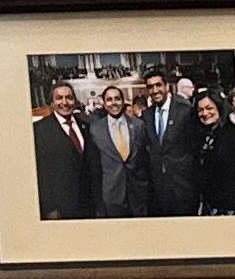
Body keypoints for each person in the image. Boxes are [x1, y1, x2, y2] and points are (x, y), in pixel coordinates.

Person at [33, 82, 97, 222]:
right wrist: (49, 208)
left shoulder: (85, 125)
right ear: (52, 102)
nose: (65, 102)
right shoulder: (40, 130)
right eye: (59, 98)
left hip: (87, 207)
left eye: (69, 97)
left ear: (74, 101)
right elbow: (40, 172)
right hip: (60, 209)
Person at [145, 72, 205, 217]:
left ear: (167, 86)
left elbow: (196, 149)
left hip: (183, 187)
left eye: (158, 85)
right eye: (150, 87)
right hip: (158, 190)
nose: (155, 90)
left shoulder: (185, 110)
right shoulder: (146, 115)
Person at [87, 80, 143, 219]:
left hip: (138, 192)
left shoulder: (138, 125)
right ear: (104, 104)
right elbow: (94, 166)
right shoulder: (95, 129)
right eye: (109, 99)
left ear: (123, 102)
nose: (114, 103)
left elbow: (145, 159)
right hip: (111, 194)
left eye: (117, 98)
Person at [193, 88, 235, 218]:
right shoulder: (199, 136)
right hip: (210, 206)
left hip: (233, 206)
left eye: (209, 108)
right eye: (200, 110)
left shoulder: (234, 132)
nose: (205, 113)